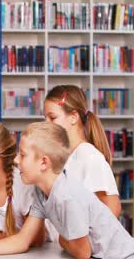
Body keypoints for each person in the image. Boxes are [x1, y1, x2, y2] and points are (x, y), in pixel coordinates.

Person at [0, 122, 134, 259]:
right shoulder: (40, 192)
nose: (16, 160)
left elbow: (82, 252)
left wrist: (64, 239)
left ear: (43, 163)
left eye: (23, 155)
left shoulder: (67, 196)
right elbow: (22, 241)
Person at [44, 85, 121, 217]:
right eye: (45, 118)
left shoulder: (89, 157)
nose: (46, 124)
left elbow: (113, 209)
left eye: (52, 118)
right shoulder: (64, 155)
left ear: (73, 117)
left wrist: (82, 237)